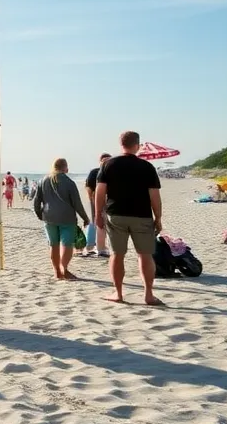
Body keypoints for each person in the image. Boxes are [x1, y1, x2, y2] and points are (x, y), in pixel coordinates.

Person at [96, 131, 163, 305]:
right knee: (145, 255)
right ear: (138, 145)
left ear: (121, 144)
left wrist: (98, 214)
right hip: (142, 215)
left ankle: (118, 293)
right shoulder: (147, 167)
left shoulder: (108, 165)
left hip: (116, 215)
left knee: (117, 255)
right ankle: (148, 294)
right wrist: (158, 217)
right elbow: (154, 196)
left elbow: (100, 192)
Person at [33, 159, 90, 280]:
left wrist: (40, 215)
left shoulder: (43, 181)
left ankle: (57, 272)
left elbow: (36, 202)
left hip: (49, 218)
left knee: (53, 245)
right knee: (67, 244)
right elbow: (77, 204)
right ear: (65, 169)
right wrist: (85, 218)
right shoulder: (69, 182)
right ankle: (64, 268)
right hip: (67, 218)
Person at [83, 154, 112, 256]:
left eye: (108, 160)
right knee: (94, 221)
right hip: (95, 200)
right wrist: (92, 199)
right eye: (104, 161)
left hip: (109, 201)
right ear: (99, 161)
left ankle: (101, 245)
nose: (106, 162)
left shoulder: (112, 172)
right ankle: (90, 245)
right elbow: (88, 187)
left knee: (106, 223)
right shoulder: (94, 172)